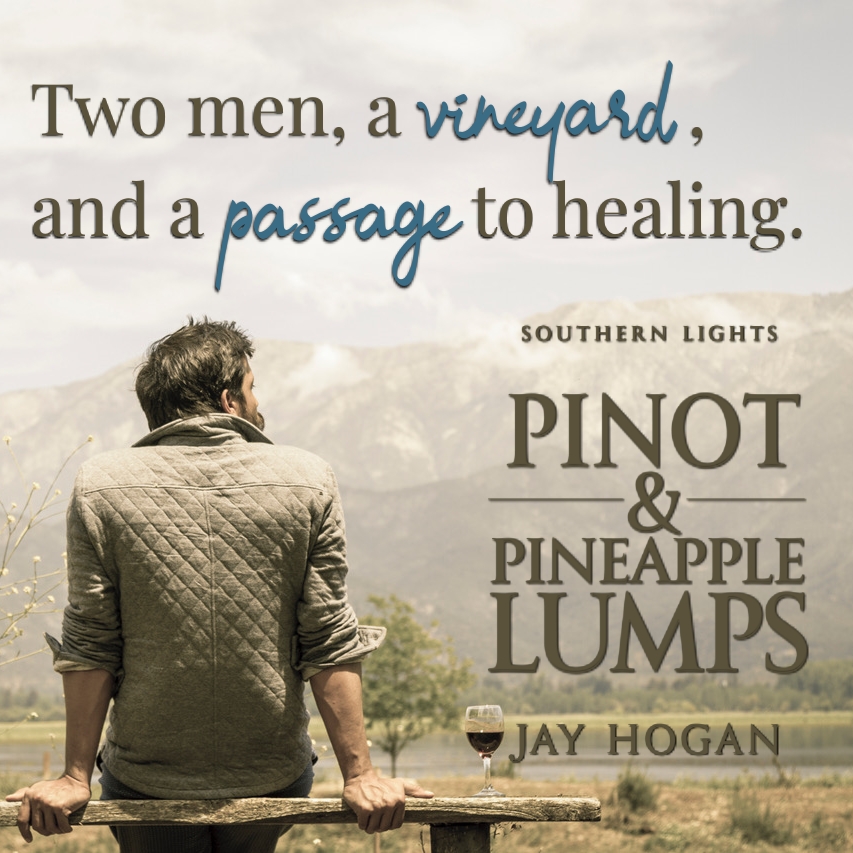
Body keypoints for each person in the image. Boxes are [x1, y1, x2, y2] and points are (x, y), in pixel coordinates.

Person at [6, 318, 432, 850]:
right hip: (272, 776)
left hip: (145, 780)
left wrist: (74, 778)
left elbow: (93, 642)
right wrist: (360, 775)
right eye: (254, 390)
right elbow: (326, 638)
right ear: (229, 399)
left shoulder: (100, 485)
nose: (261, 407)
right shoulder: (307, 478)